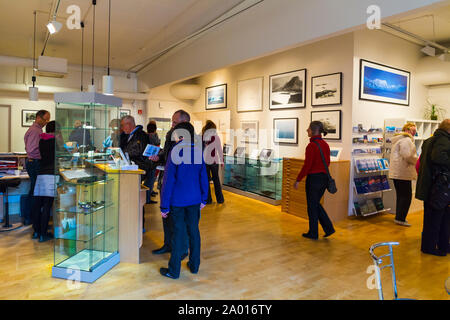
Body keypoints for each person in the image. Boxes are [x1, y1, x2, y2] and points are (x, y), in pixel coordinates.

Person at [159, 121, 209, 279]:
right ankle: (194, 266)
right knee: (194, 232)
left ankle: (174, 271)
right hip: (194, 200)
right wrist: (204, 198)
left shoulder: (175, 151)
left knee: (178, 235)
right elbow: (203, 176)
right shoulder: (198, 150)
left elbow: (168, 181)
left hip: (177, 202)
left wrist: (164, 206)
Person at [149, 110, 190, 255]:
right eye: (172, 122)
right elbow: (166, 155)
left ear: (184, 123)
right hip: (166, 181)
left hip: (180, 186)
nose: (172, 125)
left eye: (175, 122)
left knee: (179, 220)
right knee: (166, 215)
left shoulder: (191, 141)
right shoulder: (170, 135)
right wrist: (158, 157)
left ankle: (182, 249)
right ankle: (169, 244)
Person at [294, 121, 335, 240]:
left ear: (313, 131)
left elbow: (307, 165)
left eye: (308, 129)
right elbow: (327, 163)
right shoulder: (325, 144)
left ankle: (313, 233)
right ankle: (328, 228)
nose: (307, 130)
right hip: (323, 179)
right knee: (315, 204)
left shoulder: (311, 146)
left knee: (312, 206)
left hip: (313, 179)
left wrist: (298, 179)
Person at [416, 119, 450, 257]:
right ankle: (429, 247)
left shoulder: (431, 140)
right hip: (439, 187)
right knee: (437, 218)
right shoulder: (444, 140)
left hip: (431, 186)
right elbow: (438, 158)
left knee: (437, 218)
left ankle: (441, 245)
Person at [31, 121, 58, 242]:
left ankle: (36, 231)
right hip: (51, 174)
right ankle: (43, 234)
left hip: (41, 174)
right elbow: (62, 155)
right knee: (47, 205)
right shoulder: (55, 141)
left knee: (38, 204)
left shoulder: (42, 140)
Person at [388, 122, 418, 227]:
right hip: (403, 172)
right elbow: (408, 155)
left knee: (401, 195)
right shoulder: (406, 140)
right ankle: (401, 218)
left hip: (398, 172)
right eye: (412, 130)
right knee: (406, 196)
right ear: (407, 130)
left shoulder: (398, 139)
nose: (414, 133)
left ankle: (399, 217)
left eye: (415, 131)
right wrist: (417, 160)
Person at [24, 109, 50, 225]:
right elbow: (31, 149)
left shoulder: (37, 129)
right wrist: (45, 154)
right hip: (34, 162)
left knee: (34, 190)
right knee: (36, 191)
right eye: (45, 119)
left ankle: (30, 217)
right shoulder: (35, 131)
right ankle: (31, 218)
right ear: (38, 118)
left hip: (33, 162)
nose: (46, 122)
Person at [202, 120, 224, 204]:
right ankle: (220, 199)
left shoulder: (203, 137)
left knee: (206, 180)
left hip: (206, 161)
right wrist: (222, 161)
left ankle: (208, 200)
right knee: (216, 180)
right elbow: (219, 150)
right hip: (214, 161)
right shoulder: (215, 137)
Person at [144, 121, 161, 204]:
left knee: (150, 179)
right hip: (151, 161)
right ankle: (147, 198)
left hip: (148, 161)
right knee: (150, 180)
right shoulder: (153, 136)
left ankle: (148, 195)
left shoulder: (146, 136)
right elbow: (157, 143)